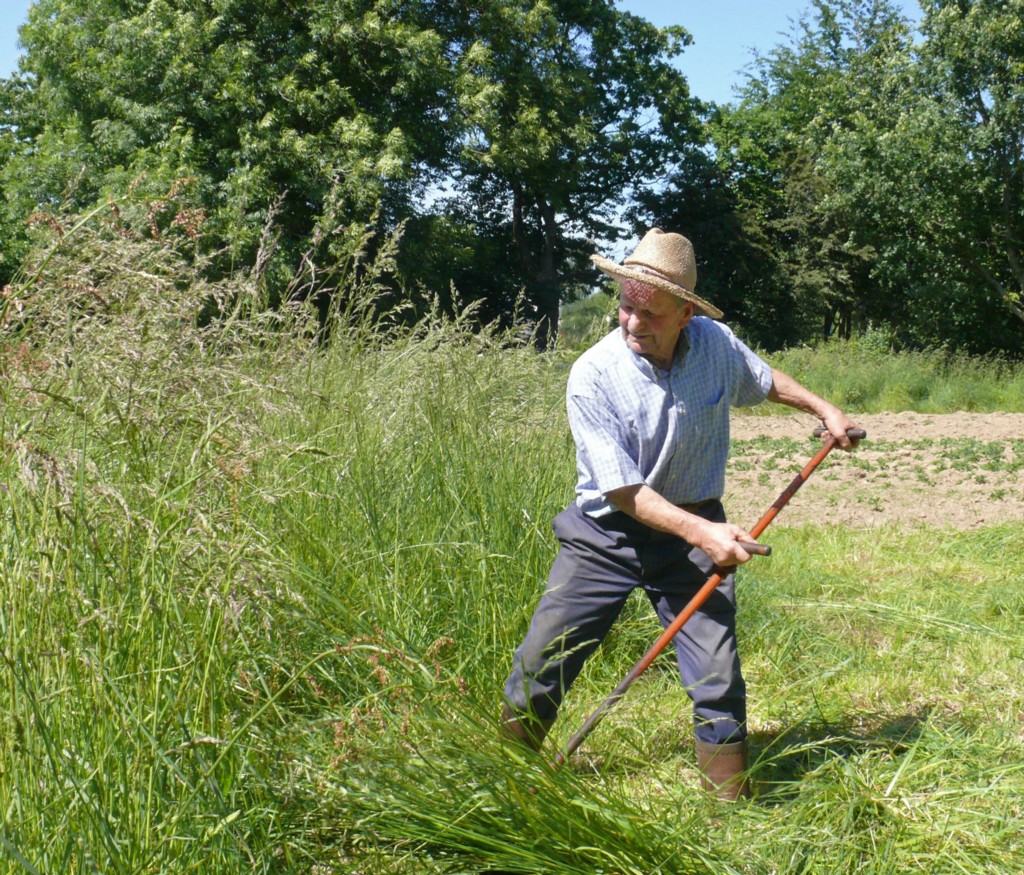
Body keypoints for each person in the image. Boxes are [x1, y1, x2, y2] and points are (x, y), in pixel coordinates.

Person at [500, 228, 860, 800]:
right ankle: (503, 781)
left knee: (718, 675)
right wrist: (705, 532)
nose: (633, 322)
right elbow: (621, 489)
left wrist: (825, 408)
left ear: (687, 312)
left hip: (695, 530)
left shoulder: (716, 344)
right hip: (606, 535)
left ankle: (729, 813)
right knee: (543, 663)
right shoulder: (593, 374)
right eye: (625, 305)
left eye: (651, 312)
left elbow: (764, 381)